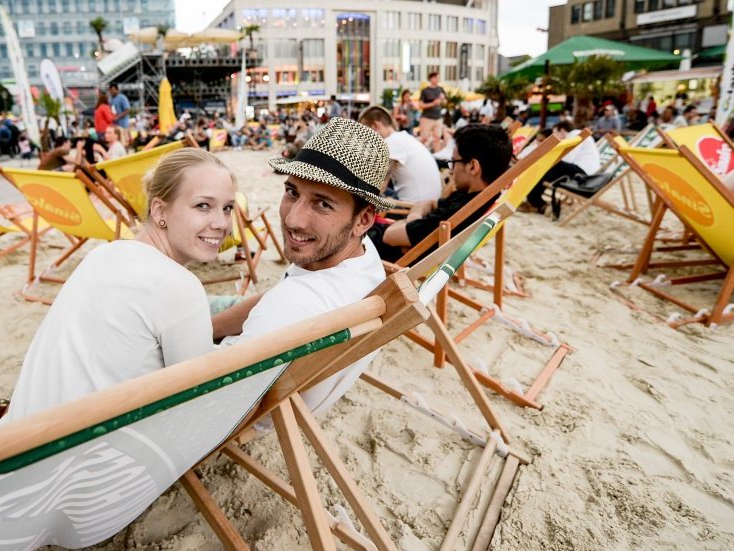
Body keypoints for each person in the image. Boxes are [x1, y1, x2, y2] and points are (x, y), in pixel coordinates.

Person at [3, 148, 236, 419]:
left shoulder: (102, 255)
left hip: (16, 440)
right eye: (202, 206)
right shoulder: (178, 285)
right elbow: (200, 401)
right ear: (160, 210)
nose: (222, 223)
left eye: (228, 208)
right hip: (90, 453)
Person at [211, 118, 394, 420]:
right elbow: (274, 299)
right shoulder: (363, 260)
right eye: (292, 192)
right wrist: (213, 327)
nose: (293, 219)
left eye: (323, 204)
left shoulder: (295, 303)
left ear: (363, 220)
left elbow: (218, 403)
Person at [367, 124, 512, 263]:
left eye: (453, 162)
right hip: (394, 238)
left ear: (473, 167)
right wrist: (412, 220)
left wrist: (408, 223)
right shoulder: (475, 199)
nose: (450, 170)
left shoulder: (459, 213)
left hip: (372, 247)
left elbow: (389, 236)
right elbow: (427, 202)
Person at [358, 105, 441, 203]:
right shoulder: (402, 138)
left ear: (375, 126)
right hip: (427, 203)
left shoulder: (390, 143)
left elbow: (378, 187)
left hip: (411, 209)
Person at [524, 120, 602, 212]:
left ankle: (535, 202)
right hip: (583, 170)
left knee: (549, 166)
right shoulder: (576, 134)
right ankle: (535, 202)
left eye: (555, 132)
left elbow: (568, 158)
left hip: (583, 173)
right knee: (548, 169)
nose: (554, 136)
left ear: (561, 130)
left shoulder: (575, 135)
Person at [418, 72, 446, 145]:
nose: (438, 79)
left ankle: (437, 155)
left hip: (438, 117)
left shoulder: (441, 89)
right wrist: (433, 103)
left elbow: (445, 103)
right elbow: (420, 105)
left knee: (437, 138)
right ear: (431, 78)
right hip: (427, 118)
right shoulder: (425, 91)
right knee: (424, 138)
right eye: (437, 78)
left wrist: (443, 99)